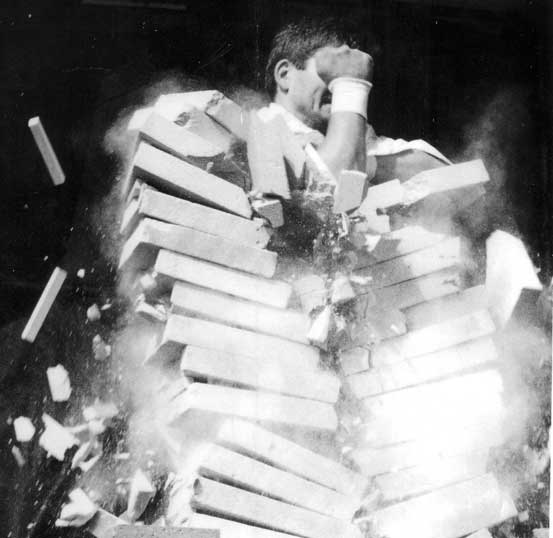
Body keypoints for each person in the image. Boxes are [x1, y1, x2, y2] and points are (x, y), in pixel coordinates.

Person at [262, 19, 451, 184]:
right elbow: (331, 187)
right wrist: (351, 86)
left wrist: (365, 162)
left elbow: (452, 179)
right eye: (331, 69)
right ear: (285, 75)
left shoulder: (361, 136)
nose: (338, 83)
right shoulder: (260, 132)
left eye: (349, 72)